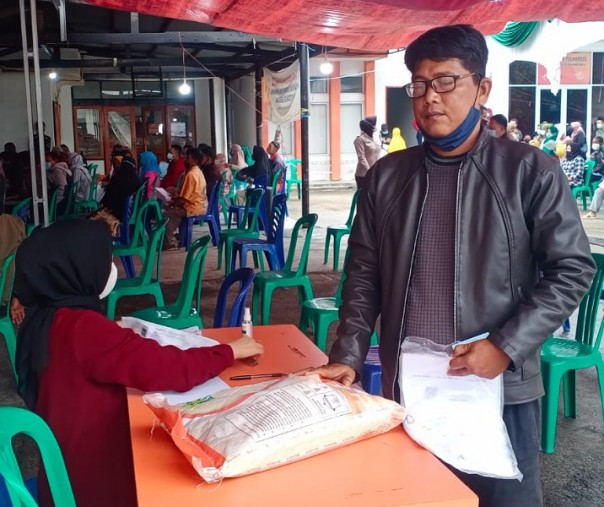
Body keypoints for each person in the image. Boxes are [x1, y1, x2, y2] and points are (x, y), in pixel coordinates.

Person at [300, 24, 594, 507]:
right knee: (419, 498)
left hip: (495, 386)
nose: (429, 97)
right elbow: (363, 275)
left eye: (445, 82)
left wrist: (505, 346)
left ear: (481, 88)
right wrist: (348, 354)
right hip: (411, 387)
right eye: (418, 84)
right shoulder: (388, 178)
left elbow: (572, 269)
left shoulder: (528, 171)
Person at [13, 219, 263, 507]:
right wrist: (229, 351)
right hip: (94, 482)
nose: (111, 268)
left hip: (64, 470)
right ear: (76, 268)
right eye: (104, 259)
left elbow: (96, 356)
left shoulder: (48, 315)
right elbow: (167, 369)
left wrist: (115, 337)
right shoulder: (83, 328)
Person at [163, 147, 208, 249]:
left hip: (193, 207)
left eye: (188, 158)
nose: (185, 160)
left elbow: (183, 199)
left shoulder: (191, 174)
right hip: (200, 205)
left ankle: (170, 241)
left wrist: (172, 204)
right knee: (172, 210)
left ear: (195, 160)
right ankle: (177, 237)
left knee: (168, 214)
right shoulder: (197, 171)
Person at [90, 148, 141, 235]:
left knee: (90, 220)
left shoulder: (117, 179)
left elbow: (108, 199)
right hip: (131, 212)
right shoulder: (137, 181)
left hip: (116, 213)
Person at [354, 115, 380, 189]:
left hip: (374, 173)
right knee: (363, 197)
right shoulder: (360, 139)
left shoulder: (374, 139)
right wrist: (369, 171)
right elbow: (361, 157)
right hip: (363, 175)